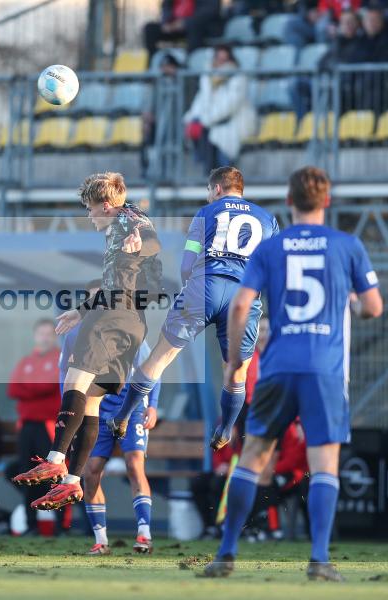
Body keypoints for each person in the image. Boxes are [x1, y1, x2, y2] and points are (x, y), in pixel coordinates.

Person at [202, 166, 383, 581]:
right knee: (325, 465)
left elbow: (242, 305)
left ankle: (226, 553)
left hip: (278, 367)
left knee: (251, 459)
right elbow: (374, 307)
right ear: (327, 201)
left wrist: (234, 362)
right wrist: (354, 303)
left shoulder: (271, 247)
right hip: (325, 371)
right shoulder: (347, 246)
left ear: (288, 201)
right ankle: (319, 559)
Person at [12, 172, 163, 511]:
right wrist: (79, 312)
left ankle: (55, 458)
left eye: (90, 209)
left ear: (106, 206)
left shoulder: (128, 222)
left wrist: (139, 241)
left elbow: (151, 240)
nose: (88, 215)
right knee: (92, 403)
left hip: (112, 319)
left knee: (74, 381)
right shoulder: (128, 218)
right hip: (133, 325)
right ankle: (72, 481)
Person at [109, 167, 278, 454]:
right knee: (236, 371)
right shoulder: (268, 220)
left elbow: (187, 265)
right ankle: (225, 429)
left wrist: (193, 289)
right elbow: (272, 268)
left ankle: (122, 417)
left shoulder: (205, 214)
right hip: (244, 296)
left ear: (217, 189)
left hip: (205, 287)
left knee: (160, 357)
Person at [60, 279, 162, 555]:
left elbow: (152, 369)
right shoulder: (74, 336)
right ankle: (100, 540)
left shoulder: (127, 328)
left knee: (134, 465)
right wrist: (69, 412)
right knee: (90, 472)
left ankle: (144, 534)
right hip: (96, 411)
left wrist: (152, 404)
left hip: (130, 407)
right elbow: (64, 377)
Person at [6, 318, 61, 535]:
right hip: (27, 426)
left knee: (52, 473)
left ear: (55, 336)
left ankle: (60, 525)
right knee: (27, 473)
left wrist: (27, 390)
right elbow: (12, 389)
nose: (45, 337)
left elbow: (49, 386)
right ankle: (31, 525)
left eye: (49, 333)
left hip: (48, 425)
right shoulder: (26, 361)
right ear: (35, 335)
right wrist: (34, 390)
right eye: (41, 333)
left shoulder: (59, 358)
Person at [182, 46, 256, 173]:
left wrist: (205, 120)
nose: (221, 63)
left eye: (224, 59)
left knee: (225, 166)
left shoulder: (237, 78)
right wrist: (192, 118)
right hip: (211, 126)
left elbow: (229, 105)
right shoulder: (208, 78)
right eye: (218, 59)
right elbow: (200, 102)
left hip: (231, 124)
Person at [143, 0, 222, 57]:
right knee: (150, 28)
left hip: (200, 27)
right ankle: (153, 64)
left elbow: (210, 11)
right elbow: (166, 8)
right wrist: (166, 23)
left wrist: (185, 23)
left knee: (194, 27)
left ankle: (190, 68)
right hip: (174, 27)